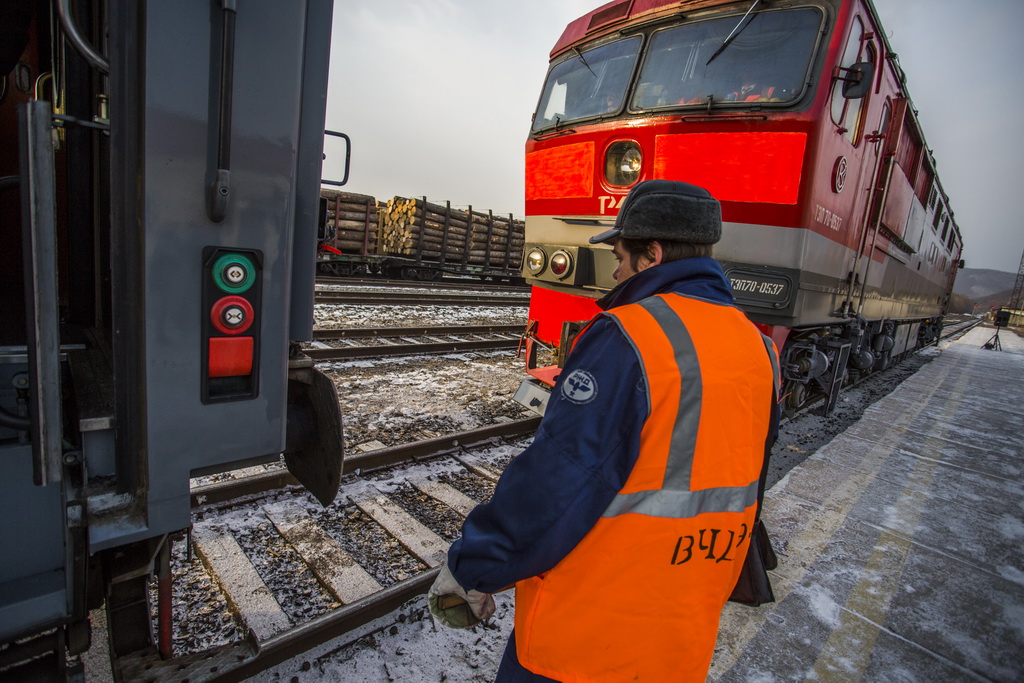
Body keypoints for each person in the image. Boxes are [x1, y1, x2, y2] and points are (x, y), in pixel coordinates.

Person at [427, 179, 780, 682]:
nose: (614, 272)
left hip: (586, 638)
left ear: (651, 255)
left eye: (620, 255)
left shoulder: (631, 335)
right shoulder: (757, 347)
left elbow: (557, 482)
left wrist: (473, 567)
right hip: (683, 637)